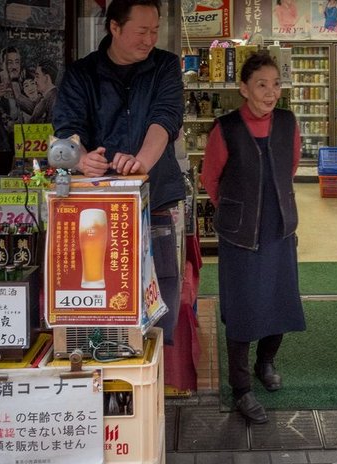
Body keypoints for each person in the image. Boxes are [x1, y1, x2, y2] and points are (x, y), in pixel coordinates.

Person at [52, 0, 185, 345]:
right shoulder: (82, 73)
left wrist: (141, 162)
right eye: (142, 31)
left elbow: (166, 119)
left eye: (155, 31)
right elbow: (67, 131)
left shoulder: (165, 66)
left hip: (154, 202)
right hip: (97, 211)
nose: (150, 39)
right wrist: (82, 160)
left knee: (161, 300)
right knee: (103, 302)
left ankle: (158, 381)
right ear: (114, 27)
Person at [200, 52, 306, 425]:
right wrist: (236, 210)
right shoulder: (225, 127)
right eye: (262, 84)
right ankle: (241, 388)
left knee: (280, 300)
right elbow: (210, 178)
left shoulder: (288, 123)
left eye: (276, 84)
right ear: (243, 89)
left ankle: (266, 362)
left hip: (279, 227)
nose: (271, 92)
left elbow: (290, 167)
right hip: (240, 234)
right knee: (243, 310)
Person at [0, 46, 23, 151]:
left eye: (17, 62)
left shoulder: (27, 83)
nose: (14, 66)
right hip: (1, 143)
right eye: (10, 63)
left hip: (25, 140)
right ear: (1, 64)